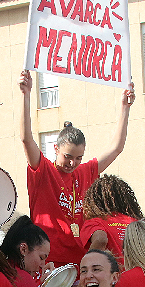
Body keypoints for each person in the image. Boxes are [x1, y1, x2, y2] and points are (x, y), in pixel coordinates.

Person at [17, 69, 135, 267]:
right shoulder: (43, 170)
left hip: (82, 259)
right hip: (49, 260)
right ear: (55, 149)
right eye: (68, 157)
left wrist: (125, 107)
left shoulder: (86, 171)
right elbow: (25, 137)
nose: (73, 164)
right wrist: (26, 95)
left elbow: (116, 148)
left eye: (79, 158)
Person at [79, 175, 145, 267]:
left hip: (115, 277)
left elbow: (100, 239)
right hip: (143, 275)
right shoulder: (138, 221)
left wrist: (88, 266)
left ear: (93, 200)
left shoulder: (96, 222)